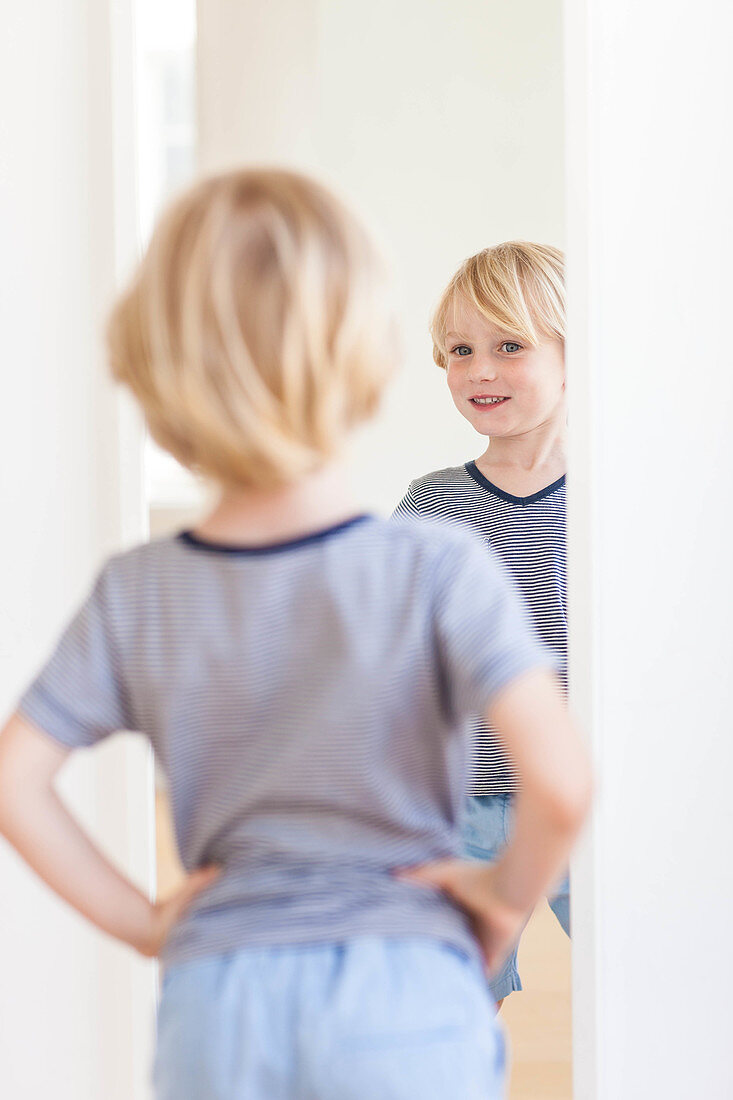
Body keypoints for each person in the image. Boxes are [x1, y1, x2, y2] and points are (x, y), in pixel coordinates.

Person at [0, 173, 591, 1099]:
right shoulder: (432, 559)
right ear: (380, 363)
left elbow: (14, 780)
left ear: (147, 380)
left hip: (218, 994)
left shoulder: (138, 590)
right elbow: (561, 779)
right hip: (407, 982)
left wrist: (146, 923)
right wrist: (496, 899)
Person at [395, 241, 571, 1006]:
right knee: (449, 996)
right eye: (460, 351)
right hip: (460, 798)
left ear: (574, 354)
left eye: (509, 346)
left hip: (576, 791)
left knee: (639, 975)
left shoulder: (611, 499)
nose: (479, 370)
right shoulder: (433, 504)